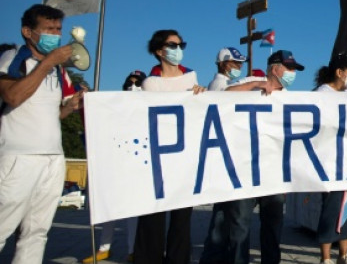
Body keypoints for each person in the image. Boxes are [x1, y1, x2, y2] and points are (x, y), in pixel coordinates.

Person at [198, 50, 302, 264]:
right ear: (275, 69)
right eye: (289, 68)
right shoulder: (253, 81)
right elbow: (221, 95)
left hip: (274, 174)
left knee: (273, 228)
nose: (293, 73)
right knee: (240, 226)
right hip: (244, 170)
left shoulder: (291, 98)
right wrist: (254, 87)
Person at [0, 4, 84, 264]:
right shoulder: (14, 57)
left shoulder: (57, 70)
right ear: (28, 31)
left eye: (58, 29)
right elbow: (12, 96)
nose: (55, 35)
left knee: (37, 233)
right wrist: (48, 62)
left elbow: (51, 114)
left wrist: (70, 107)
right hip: (18, 157)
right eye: (48, 29)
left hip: (52, 158)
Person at [135, 29, 205, 264]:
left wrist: (201, 95)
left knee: (182, 219)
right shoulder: (150, 83)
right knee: (152, 217)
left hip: (183, 157)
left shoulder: (191, 77)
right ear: (159, 51)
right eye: (172, 45)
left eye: (180, 45)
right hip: (157, 158)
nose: (178, 50)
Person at [83, 70, 146, 263]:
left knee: (133, 213)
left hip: (136, 165)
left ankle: (132, 249)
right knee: (107, 207)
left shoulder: (145, 108)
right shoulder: (113, 107)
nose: (132, 87)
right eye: (130, 83)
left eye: (137, 83)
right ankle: (104, 247)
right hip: (114, 164)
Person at [312, 53, 347, 264]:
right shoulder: (322, 94)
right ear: (339, 72)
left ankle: (344, 254)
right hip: (329, 161)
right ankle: (326, 256)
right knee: (331, 209)